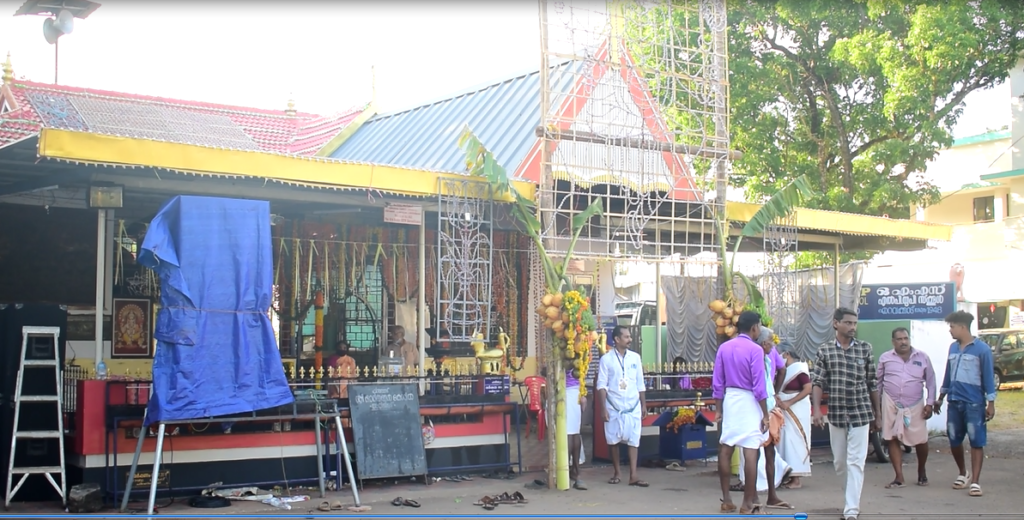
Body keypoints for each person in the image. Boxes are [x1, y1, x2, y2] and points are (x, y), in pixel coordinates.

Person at [811, 307, 880, 520]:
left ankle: (851, 510)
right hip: (837, 413)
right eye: (848, 323)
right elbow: (818, 382)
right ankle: (850, 499)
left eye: (854, 324)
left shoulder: (865, 349)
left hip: (861, 413)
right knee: (840, 463)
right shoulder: (825, 351)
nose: (852, 327)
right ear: (836, 324)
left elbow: (872, 383)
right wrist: (816, 410)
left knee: (856, 462)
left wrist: (877, 414)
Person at [712, 311, 770, 515]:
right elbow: (759, 386)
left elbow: (717, 381)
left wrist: (718, 408)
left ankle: (727, 499)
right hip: (749, 401)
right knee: (751, 450)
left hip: (730, 399)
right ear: (754, 327)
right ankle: (747, 502)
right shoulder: (755, 350)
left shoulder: (724, 348)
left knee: (726, 447)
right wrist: (765, 413)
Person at [933, 311, 996, 497]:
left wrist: (990, 403)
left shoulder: (982, 350)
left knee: (976, 441)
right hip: (954, 401)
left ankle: (975, 481)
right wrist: (940, 397)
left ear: (962, 327)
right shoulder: (952, 348)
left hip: (974, 403)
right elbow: (947, 374)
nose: (950, 331)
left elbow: (988, 378)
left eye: (952, 327)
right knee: (954, 439)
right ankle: (963, 473)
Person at [735, 326, 792, 509]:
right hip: (760, 409)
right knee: (757, 453)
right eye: (771, 344)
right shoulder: (756, 356)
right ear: (765, 343)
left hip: (768, 407)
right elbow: (759, 387)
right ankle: (753, 497)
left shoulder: (766, 358)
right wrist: (765, 413)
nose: (773, 348)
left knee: (770, 453)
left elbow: (771, 380)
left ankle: (771, 495)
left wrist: (774, 395)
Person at [877, 327, 937, 488]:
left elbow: (931, 382)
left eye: (906, 338)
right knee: (892, 438)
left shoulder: (922, 357)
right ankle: (899, 477)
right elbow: (878, 383)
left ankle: (921, 471)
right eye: (899, 339)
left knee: (921, 440)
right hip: (891, 403)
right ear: (893, 342)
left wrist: (930, 404)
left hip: (916, 404)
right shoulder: (885, 358)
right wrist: (876, 408)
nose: (903, 342)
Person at [596, 326, 648, 487]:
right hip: (614, 405)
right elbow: (601, 385)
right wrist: (603, 408)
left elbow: (640, 383)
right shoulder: (606, 359)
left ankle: (633, 475)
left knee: (634, 440)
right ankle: (617, 472)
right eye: (626, 337)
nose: (630, 339)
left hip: (633, 405)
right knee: (613, 440)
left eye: (629, 336)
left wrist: (644, 405)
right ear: (617, 339)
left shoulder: (635, 358)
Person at [775, 341, 813, 489]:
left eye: (780, 354)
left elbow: (808, 388)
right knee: (784, 442)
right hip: (783, 409)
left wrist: (789, 402)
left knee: (794, 443)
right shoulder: (785, 370)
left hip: (796, 410)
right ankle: (788, 474)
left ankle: (796, 479)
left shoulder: (799, 369)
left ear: (787, 354)